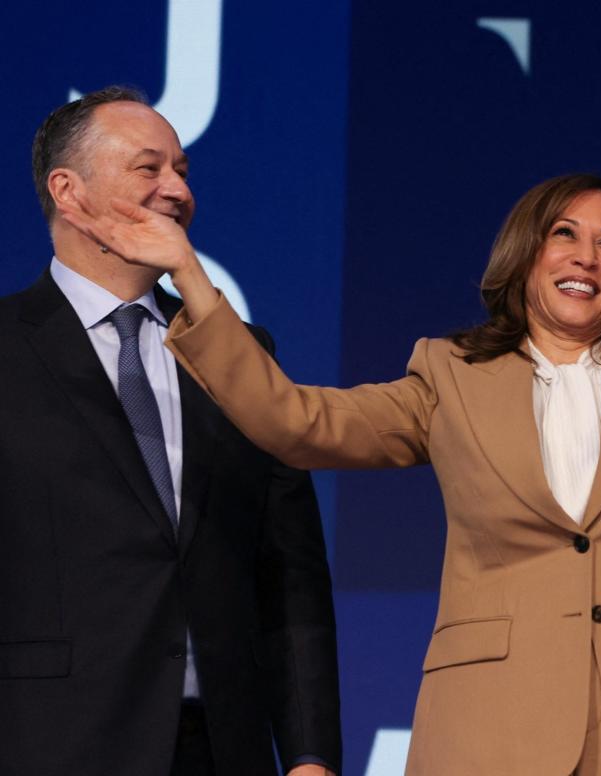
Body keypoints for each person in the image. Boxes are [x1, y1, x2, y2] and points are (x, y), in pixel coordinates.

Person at [58, 52, 601, 776]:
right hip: (498, 731)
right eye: (563, 234)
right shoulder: (447, 379)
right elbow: (290, 420)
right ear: (523, 259)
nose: (585, 255)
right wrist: (189, 279)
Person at [1, 86, 342, 776]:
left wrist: (309, 754)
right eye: (148, 168)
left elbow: (290, 574)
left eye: (182, 171)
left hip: (222, 747)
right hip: (44, 744)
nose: (177, 190)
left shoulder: (241, 355)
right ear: (68, 192)